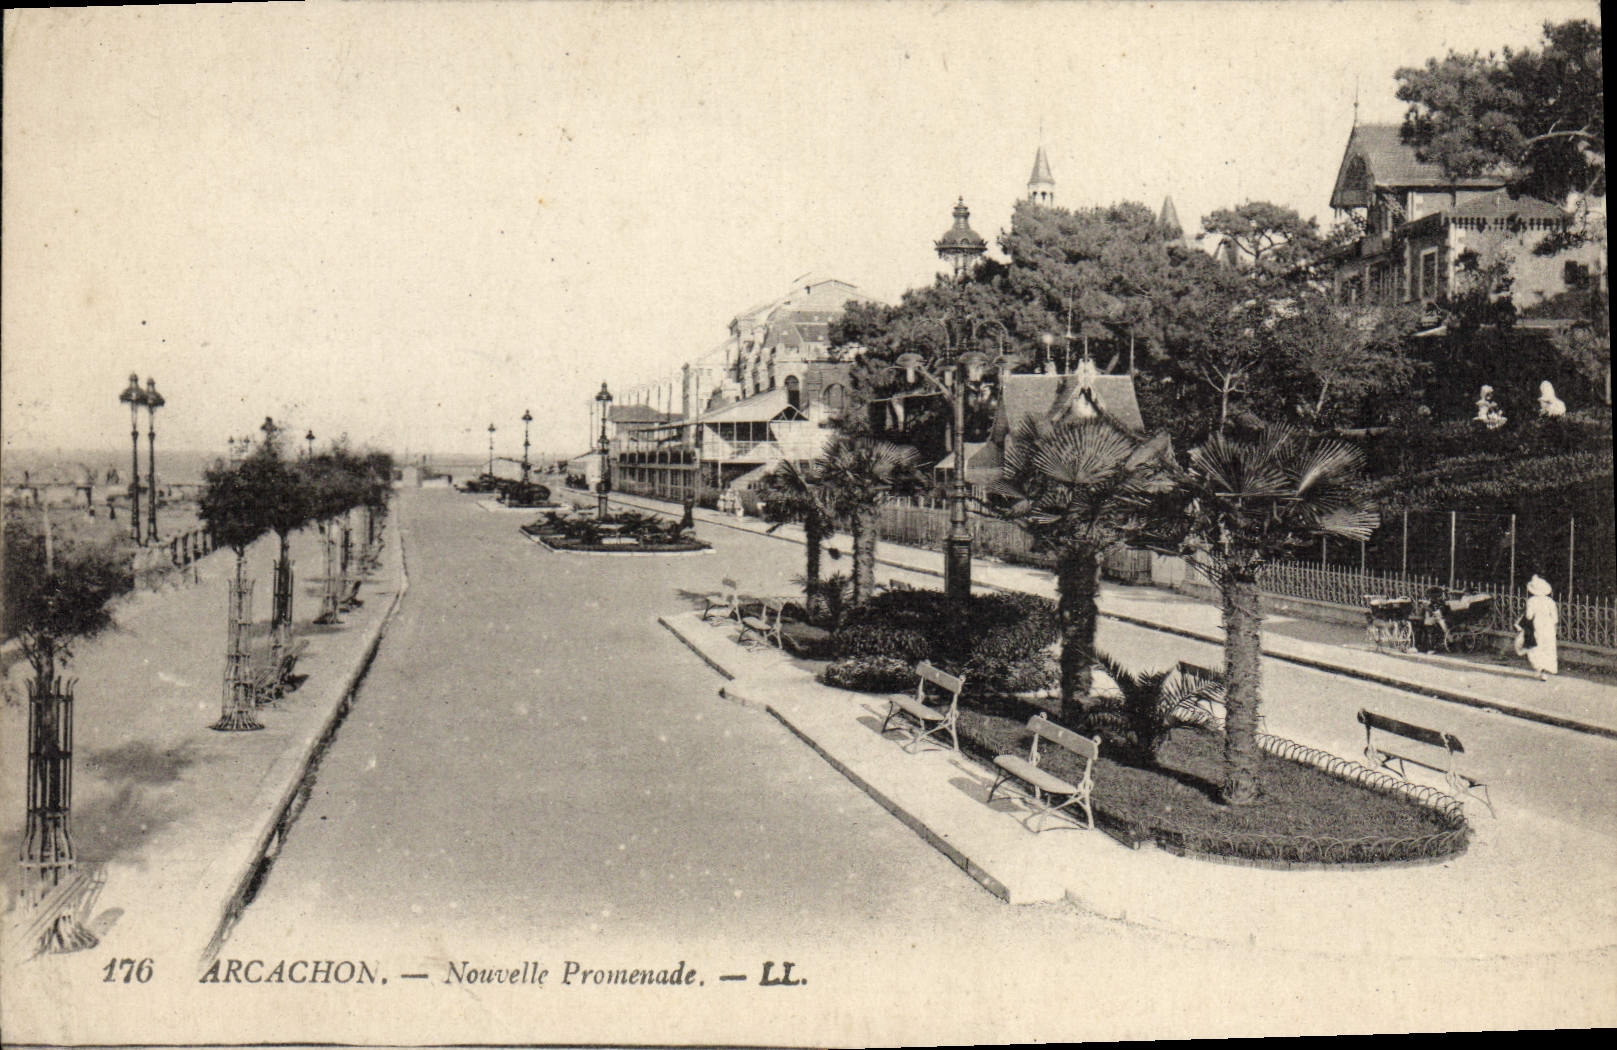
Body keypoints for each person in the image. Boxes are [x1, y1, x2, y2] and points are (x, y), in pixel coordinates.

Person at [1518, 575, 1560, 680]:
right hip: (1549, 626)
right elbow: (1555, 618)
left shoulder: (1532, 601)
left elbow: (1529, 616)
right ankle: (1545, 672)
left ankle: (1539, 669)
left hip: (1538, 625)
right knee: (1548, 648)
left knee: (1536, 647)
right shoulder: (1550, 602)